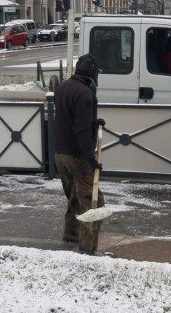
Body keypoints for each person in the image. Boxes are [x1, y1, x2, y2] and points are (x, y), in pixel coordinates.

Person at [53, 53, 105, 255]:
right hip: (77, 155)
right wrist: (91, 160)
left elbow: (70, 119)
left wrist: (94, 123)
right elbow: (81, 130)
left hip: (60, 153)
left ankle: (69, 238)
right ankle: (87, 247)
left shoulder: (63, 88)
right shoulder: (84, 94)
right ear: (92, 73)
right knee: (94, 202)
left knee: (74, 198)